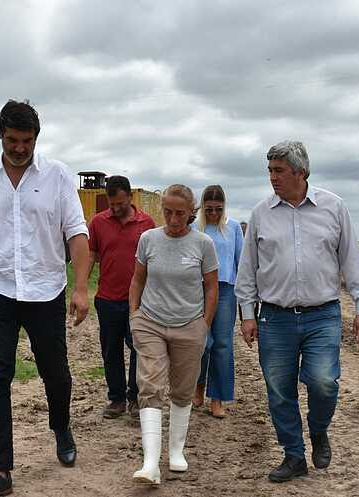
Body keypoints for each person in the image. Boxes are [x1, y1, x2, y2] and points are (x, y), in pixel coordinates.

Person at [0, 100, 90, 497]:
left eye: (26, 140)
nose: (19, 148)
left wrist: (80, 289)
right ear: (1, 136)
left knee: (54, 370)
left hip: (45, 290)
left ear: (36, 138)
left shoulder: (57, 176)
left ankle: (61, 427)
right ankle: (0, 472)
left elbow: (76, 233)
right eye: (12, 140)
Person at [235, 140, 359, 483]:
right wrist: (247, 313)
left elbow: (351, 261)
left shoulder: (334, 207)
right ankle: (293, 455)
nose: (272, 178)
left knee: (324, 381)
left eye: (279, 170)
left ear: (301, 171)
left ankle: (319, 429)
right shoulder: (261, 213)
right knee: (279, 389)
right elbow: (247, 268)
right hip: (274, 317)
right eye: (269, 170)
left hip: (322, 314)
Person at [129, 184, 219, 485]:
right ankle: (150, 463)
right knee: (150, 383)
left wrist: (204, 325)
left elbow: (211, 287)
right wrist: (135, 315)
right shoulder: (148, 239)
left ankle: (176, 451)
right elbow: (137, 279)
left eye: (180, 213)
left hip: (189, 325)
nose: (173, 218)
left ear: (191, 212)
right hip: (151, 321)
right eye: (167, 212)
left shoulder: (203, 244)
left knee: (182, 388)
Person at [87, 175, 155, 419]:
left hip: (140, 300)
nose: (115, 209)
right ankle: (116, 398)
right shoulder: (98, 223)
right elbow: (90, 256)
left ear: (130, 197)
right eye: (111, 204)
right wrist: (81, 289)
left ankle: (135, 396)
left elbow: (154, 261)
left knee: (139, 347)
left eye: (120, 204)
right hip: (107, 298)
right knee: (110, 350)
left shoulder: (147, 223)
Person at [192, 185, 244, 418]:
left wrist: (245, 296)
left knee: (222, 345)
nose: (213, 213)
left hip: (225, 290)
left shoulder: (233, 228)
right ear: (203, 207)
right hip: (198, 290)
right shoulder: (194, 228)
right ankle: (198, 386)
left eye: (218, 209)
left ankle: (218, 398)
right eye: (209, 209)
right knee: (202, 343)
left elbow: (240, 261)